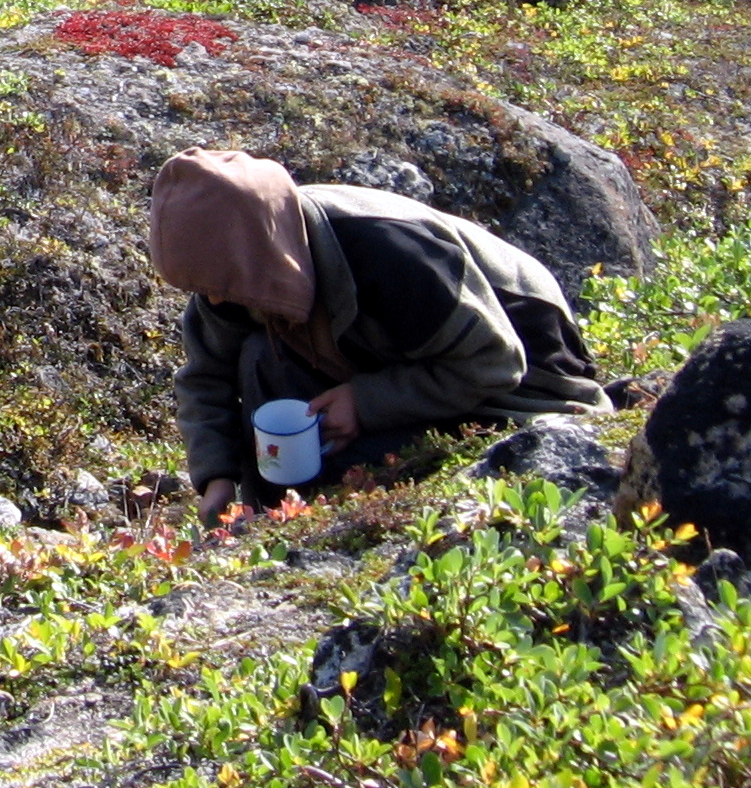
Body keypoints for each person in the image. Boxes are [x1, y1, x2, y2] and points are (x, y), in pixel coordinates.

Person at [147, 148, 609, 526]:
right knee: (257, 358)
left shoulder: (391, 254)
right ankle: (266, 519)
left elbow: (494, 363)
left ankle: (306, 521)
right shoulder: (232, 271)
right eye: (202, 290)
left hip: (528, 369)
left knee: (365, 470)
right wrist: (217, 477)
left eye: (214, 287)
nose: (212, 301)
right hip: (393, 362)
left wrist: (366, 403)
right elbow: (207, 376)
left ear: (254, 254)